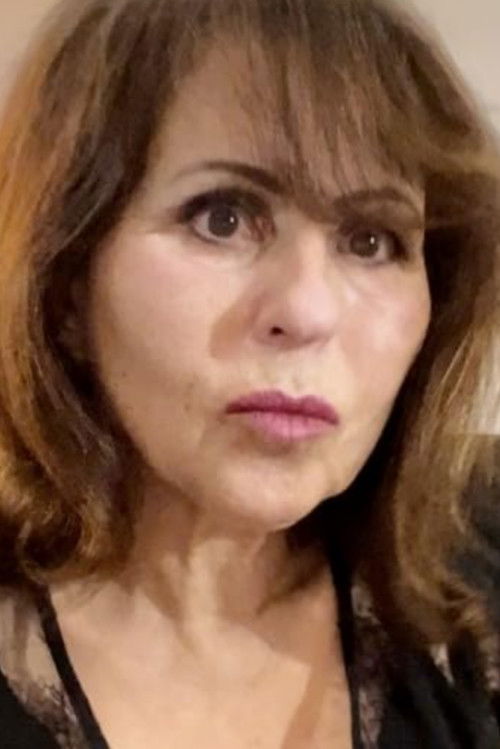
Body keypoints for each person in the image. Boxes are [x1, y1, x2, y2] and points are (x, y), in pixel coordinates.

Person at [0, 0, 498, 746]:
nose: (308, 311)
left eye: (371, 239)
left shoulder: (478, 562)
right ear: (67, 285)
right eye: (222, 218)